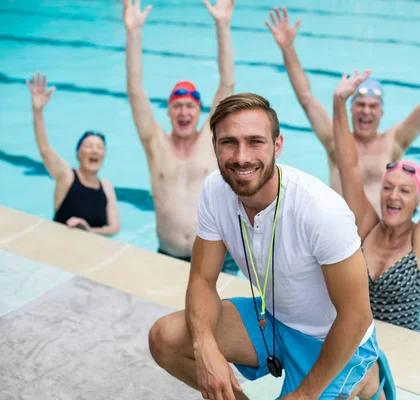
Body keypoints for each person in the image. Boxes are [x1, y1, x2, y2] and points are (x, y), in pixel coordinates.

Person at [147, 93, 396, 400]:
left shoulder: (321, 210)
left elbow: (356, 317)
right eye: (229, 142)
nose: (241, 157)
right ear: (214, 147)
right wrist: (204, 347)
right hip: (274, 321)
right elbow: (202, 278)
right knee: (165, 339)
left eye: (255, 141)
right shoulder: (215, 190)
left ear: (277, 145)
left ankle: (368, 376)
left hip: (332, 339)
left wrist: (305, 394)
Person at [266, 6, 420, 213]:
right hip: (339, 238)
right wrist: (287, 48)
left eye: (372, 106)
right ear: (350, 110)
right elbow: (306, 98)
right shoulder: (336, 140)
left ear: (381, 113)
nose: (366, 111)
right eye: (360, 104)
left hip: (378, 237)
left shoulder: (393, 141)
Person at [332, 68, 420, 332]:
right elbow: (348, 168)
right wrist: (339, 103)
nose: (393, 195)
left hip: (405, 348)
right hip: (355, 343)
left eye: (404, 191)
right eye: (388, 188)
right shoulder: (366, 225)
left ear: (416, 201)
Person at [123, 0, 238, 272]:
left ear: (200, 112)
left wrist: (222, 26)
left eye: (190, 106)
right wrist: (133, 33)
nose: (184, 112)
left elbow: (227, 83)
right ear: (169, 111)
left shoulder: (211, 140)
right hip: (168, 257)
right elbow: (135, 91)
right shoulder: (154, 142)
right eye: (178, 106)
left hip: (218, 258)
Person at [26, 72, 120, 236]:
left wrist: (88, 230)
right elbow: (44, 148)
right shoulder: (66, 176)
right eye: (89, 146)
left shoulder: (107, 187)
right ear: (78, 153)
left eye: (99, 147)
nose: (95, 150)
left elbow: (114, 228)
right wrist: (37, 111)